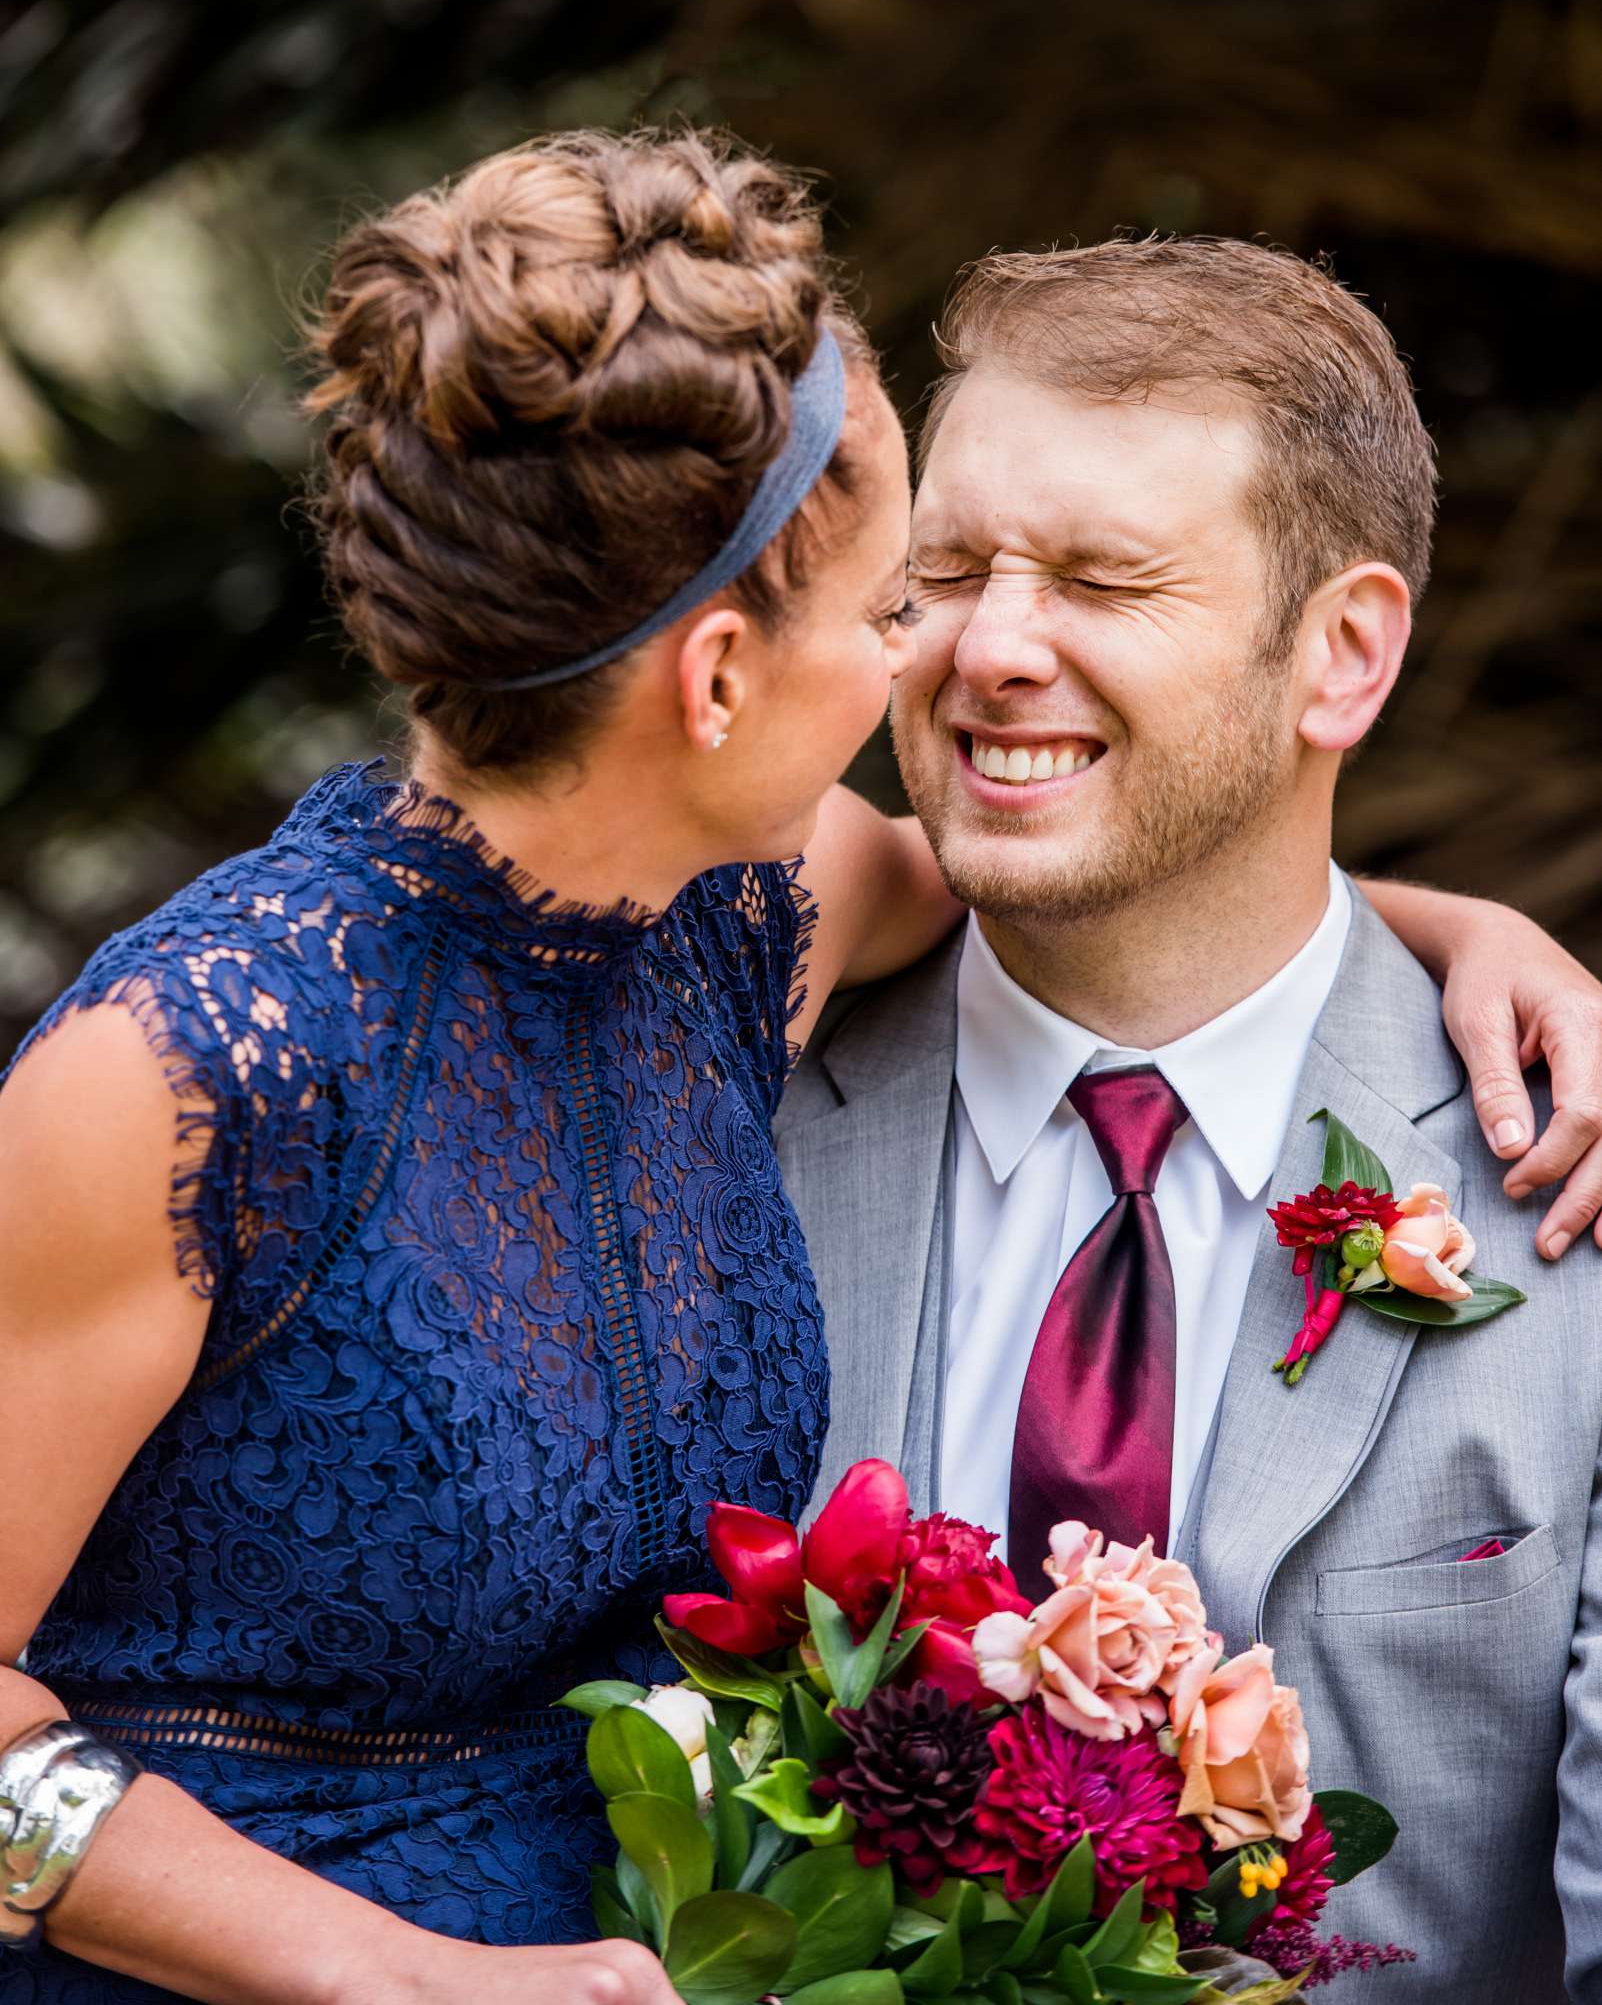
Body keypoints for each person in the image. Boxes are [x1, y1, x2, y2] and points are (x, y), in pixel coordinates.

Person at [0, 141, 1591, 2005]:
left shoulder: (742, 925)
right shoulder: (195, 1063)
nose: (960, 656)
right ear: (722, 679)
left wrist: (1457, 936)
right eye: (908, 596)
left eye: (1084, 578)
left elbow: (1151, 890)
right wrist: (389, 1978)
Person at [776, 234, 1602, 2002]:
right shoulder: (719, 1104)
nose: (992, 649)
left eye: (1099, 580)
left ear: (1342, 659)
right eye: (947, 572)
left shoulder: (1563, 1170)